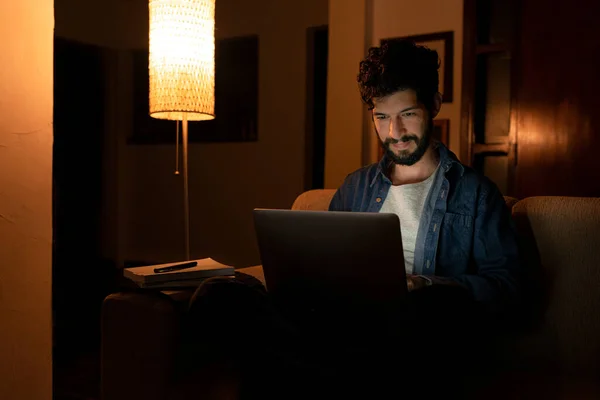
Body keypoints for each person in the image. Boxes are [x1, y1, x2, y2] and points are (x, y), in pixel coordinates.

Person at [183, 40, 522, 399]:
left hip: (413, 330)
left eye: (407, 114)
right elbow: (322, 266)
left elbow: (508, 288)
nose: (394, 132)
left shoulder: (476, 193)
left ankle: (313, 372)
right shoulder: (356, 186)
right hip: (340, 324)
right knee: (219, 295)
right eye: (381, 117)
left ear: (434, 105)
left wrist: (424, 283)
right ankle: (326, 371)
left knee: (435, 308)